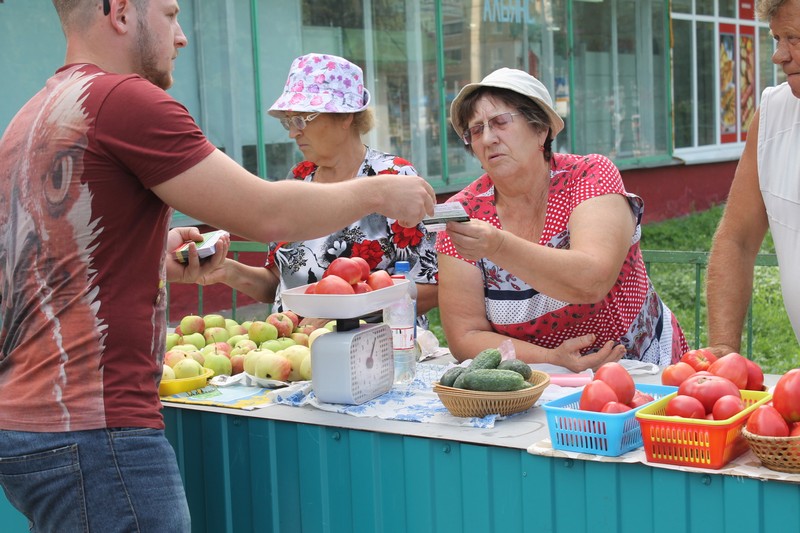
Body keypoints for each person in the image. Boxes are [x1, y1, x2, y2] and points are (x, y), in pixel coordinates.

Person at [0, 1, 435, 531]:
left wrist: (153, 263)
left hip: (29, 425)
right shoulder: (126, 100)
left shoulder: (31, 116)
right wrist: (380, 192)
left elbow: (39, 271)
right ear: (118, 11)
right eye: (169, 14)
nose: (182, 37)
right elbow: (267, 212)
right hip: (97, 429)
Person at [435, 67, 688, 372]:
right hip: (539, 383)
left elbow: (592, 280)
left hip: (641, 368)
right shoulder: (463, 211)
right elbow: (465, 335)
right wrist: (553, 360)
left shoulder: (588, 175)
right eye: (476, 130)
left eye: (500, 122)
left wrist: (499, 245)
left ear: (540, 129)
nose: (488, 138)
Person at [198, 53, 438, 328]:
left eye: (302, 119)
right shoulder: (298, 178)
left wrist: (344, 312)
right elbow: (281, 285)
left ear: (346, 116)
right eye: (288, 122)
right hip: (296, 353)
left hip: (376, 354)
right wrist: (227, 271)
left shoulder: (393, 178)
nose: (292, 133)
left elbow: (431, 287)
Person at [706, 0, 800, 356]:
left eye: (793, 38)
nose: (779, 55)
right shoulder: (773, 114)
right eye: (777, 37)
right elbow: (737, 239)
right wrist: (723, 352)